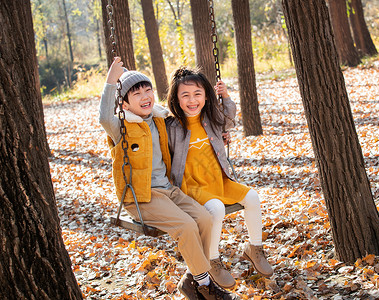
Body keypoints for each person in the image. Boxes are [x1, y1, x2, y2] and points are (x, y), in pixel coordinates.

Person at [99, 57, 240, 300]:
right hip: (142, 196)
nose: (145, 97)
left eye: (148, 90)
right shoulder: (120, 125)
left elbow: (189, 129)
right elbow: (103, 116)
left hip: (168, 190)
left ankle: (191, 278)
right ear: (124, 103)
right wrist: (112, 79)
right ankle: (205, 286)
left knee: (205, 219)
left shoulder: (159, 119)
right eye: (136, 94)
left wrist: (217, 137)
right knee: (185, 226)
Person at [166, 67, 273, 290]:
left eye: (197, 94)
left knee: (252, 197)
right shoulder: (173, 126)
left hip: (219, 179)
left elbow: (229, 115)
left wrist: (225, 96)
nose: (192, 100)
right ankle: (212, 260)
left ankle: (254, 248)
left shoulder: (211, 119)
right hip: (192, 185)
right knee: (216, 208)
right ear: (176, 99)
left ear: (206, 95)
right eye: (185, 95)